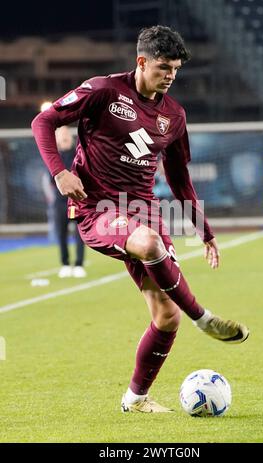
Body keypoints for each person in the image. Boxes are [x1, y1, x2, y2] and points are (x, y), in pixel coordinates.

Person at [32, 25, 249, 413]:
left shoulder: (174, 116)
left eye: (176, 69)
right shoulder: (103, 90)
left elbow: (180, 178)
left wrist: (206, 232)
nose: (170, 76)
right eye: (164, 67)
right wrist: (59, 172)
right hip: (95, 207)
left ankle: (135, 399)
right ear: (141, 61)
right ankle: (203, 317)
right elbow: (43, 122)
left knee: (166, 317)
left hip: (144, 211)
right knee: (148, 244)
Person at [53, 126, 86, 278]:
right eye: (61, 134)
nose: (64, 136)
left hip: (77, 202)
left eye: (66, 133)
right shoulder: (54, 157)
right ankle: (65, 264)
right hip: (60, 203)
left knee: (80, 233)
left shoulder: (78, 154)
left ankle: (79, 264)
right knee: (62, 234)